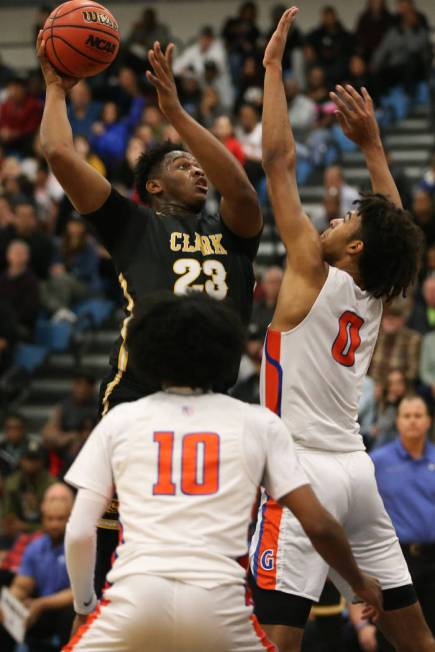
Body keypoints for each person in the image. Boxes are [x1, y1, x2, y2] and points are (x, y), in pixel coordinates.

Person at [37, 31, 262, 594]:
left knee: (197, 549)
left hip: (213, 400)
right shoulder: (135, 225)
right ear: (155, 185)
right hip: (139, 392)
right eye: (186, 165)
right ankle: (90, 612)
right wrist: (54, 90)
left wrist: (180, 118)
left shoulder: (233, 232)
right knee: (117, 542)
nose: (201, 171)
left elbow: (239, 186)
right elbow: (60, 153)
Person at [249, 8, 433, 652]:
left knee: (275, 641)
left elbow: (277, 160)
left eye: (347, 221)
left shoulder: (309, 268)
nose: (334, 220)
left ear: (353, 250)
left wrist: (272, 68)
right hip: (356, 472)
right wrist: (374, 148)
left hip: (301, 475)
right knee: (415, 638)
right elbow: (397, 231)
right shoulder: (377, 291)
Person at [62, 292, 381, 652]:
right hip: (220, 604)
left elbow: (78, 533)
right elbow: (319, 526)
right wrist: (359, 582)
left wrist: (84, 605)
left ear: (149, 351)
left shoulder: (121, 420)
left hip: (135, 596)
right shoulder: (257, 423)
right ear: (226, 351)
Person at [369, 396, 435, 644]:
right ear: (397, 422)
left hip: (433, 560)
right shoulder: (378, 461)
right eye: (407, 416)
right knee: (395, 637)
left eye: (418, 416)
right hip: (396, 560)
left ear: (428, 421)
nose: (412, 422)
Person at [0, 495, 74, 652]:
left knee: (70, 616)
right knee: (4, 615)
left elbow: (77, 593)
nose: (54, 524)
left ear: (70, 519)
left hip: (66, 609)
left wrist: (41, 604)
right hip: (40, 609)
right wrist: (8, 604)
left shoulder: (78, 548)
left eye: (60, 519)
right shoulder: (35, 547)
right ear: (43, 520)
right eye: (50, 519)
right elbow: (22, 585)